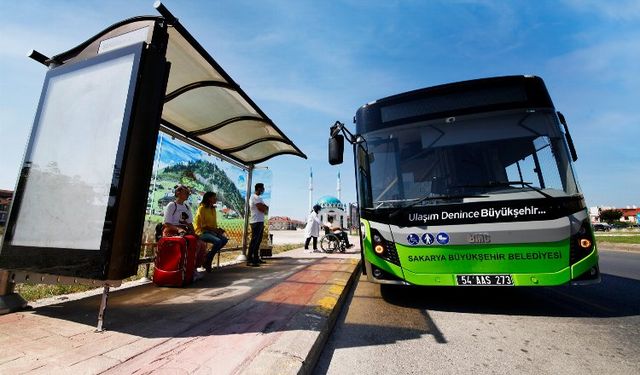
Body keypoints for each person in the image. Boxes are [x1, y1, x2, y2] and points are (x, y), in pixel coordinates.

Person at [194, 191, 229, 272]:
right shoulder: (202, 208)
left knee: (224, 240)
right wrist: (215, 230)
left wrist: (218, 230)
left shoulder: (213, 209)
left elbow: (213, 225)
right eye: (214, 197)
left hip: (211, 232)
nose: (216, 199)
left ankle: (208, 257)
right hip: (201, 232)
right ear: (209, 198)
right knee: (218, 241)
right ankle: (208, 260)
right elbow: (203, 226)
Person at [247, 182, 269, 266]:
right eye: (262, 188)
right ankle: (249, 260)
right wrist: (264, 207)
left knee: (258, 241)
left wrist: (264, 207)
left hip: (260, 221)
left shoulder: (259, 198)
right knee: (254, 241)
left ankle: (256, 258)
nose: (263, 190)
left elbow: (265, 208)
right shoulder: (254, 197)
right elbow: (262, 209)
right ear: (259, 188)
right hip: (255, 221)